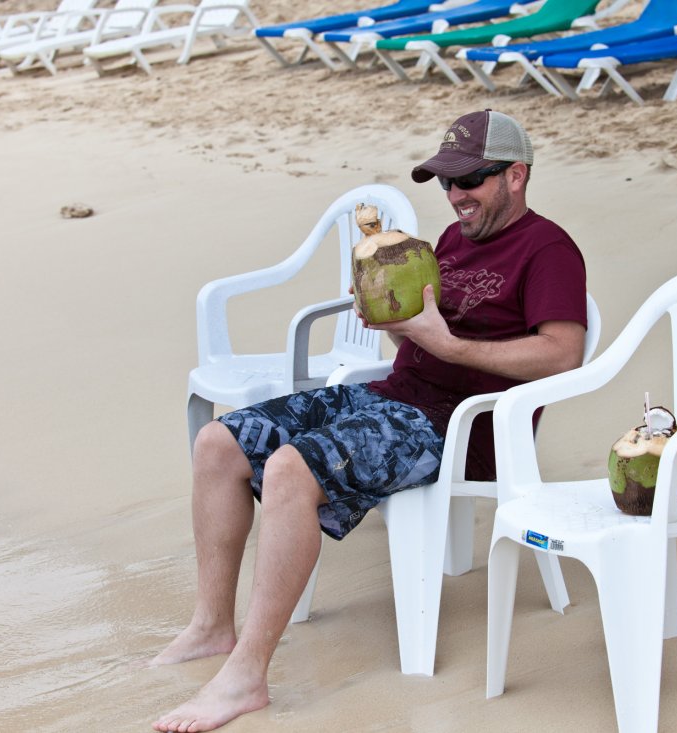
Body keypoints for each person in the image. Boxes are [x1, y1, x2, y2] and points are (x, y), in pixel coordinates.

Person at [150, 109, 588, 733]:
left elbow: (562, 354)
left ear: (516, 175)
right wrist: (388, 312)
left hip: (458, 426)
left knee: (290, 468)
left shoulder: (549, 250)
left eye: (472, 181)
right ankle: (212, 625)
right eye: (446, 184)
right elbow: (420, 326)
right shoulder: (452, 241)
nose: (456, 196)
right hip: (392, 395)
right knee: (220, 442)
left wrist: (450, 346)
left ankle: (248, 675)